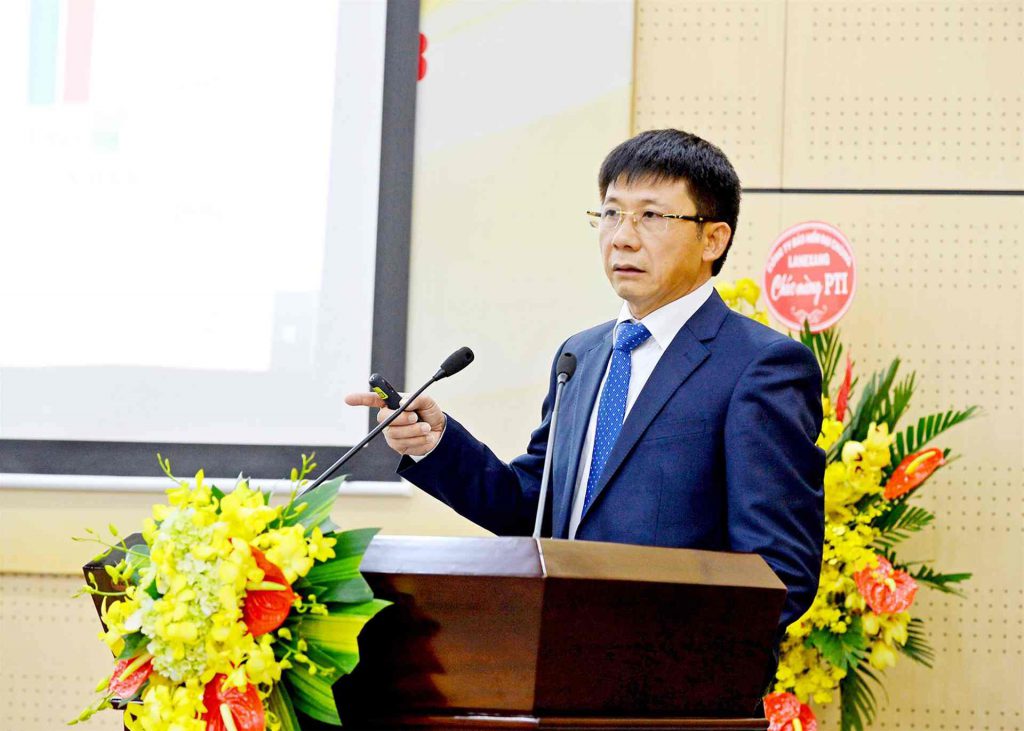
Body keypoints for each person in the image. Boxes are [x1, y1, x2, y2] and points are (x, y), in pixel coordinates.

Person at [346, 129, 825, 635]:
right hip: (559, 658)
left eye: (651, 216)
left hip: (668, 674)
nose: (622, 236)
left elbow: (778, 574)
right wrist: (436, 442)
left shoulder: (761, 366)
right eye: (612, 213)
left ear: (713, 239)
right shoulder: (582, 355)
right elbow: (532, 508)